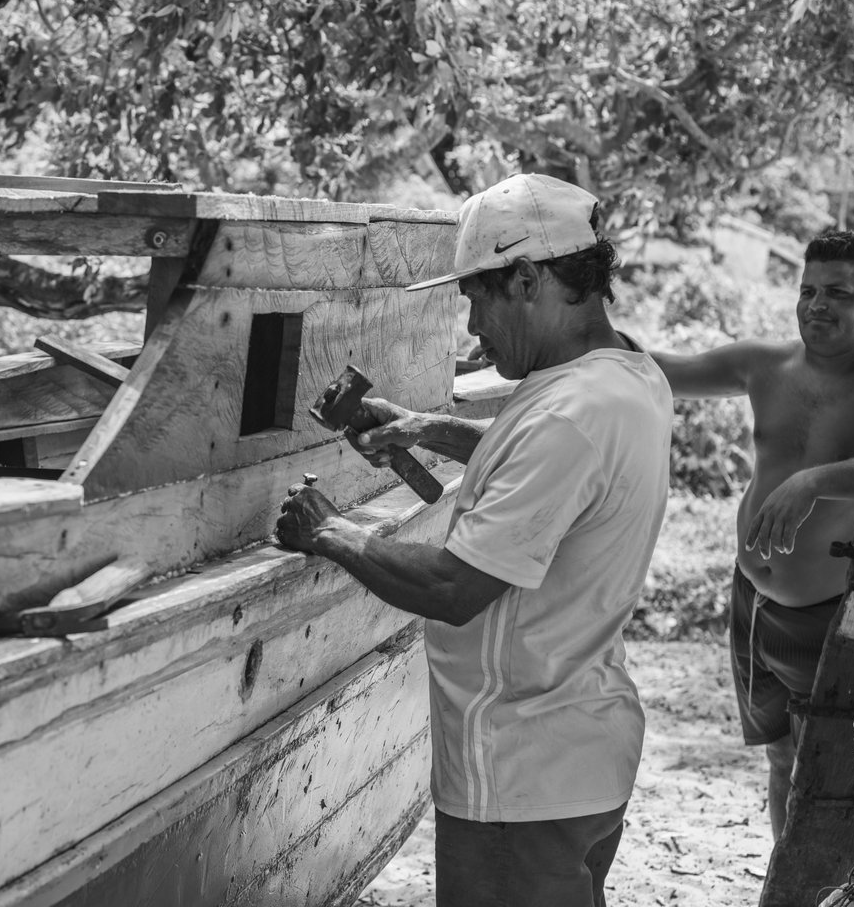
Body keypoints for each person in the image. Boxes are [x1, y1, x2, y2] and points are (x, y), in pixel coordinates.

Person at [276, 173, 672, 907]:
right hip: (576, 755)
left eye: (475, 297)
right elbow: (542, 460)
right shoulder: (623, 377)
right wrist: (421, 426)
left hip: (519, 774)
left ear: (527, 279)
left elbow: (453, 588)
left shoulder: (569, 416)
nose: (473, 327)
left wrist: (331, 531)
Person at [648, 228, 854, 841]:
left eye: (839, 294)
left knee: (829, 766)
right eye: (807, 290)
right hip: (752, 603)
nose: (817, 305)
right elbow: (661, 371)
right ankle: (784, 882)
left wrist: (814, 481)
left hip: (827, 613)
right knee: (780, 758)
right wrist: (578, 337)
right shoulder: (764, 365)